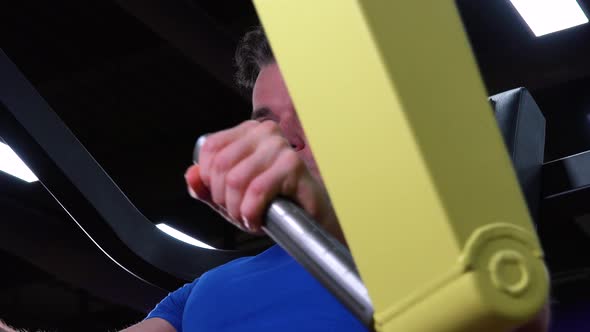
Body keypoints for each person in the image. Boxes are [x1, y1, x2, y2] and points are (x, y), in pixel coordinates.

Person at [0, 27, 549, 332]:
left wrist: (327, 216)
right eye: (270, 123)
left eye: (315, 111)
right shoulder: (203, 292)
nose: (287, 138)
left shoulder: (441, 248)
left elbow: (507, 317)